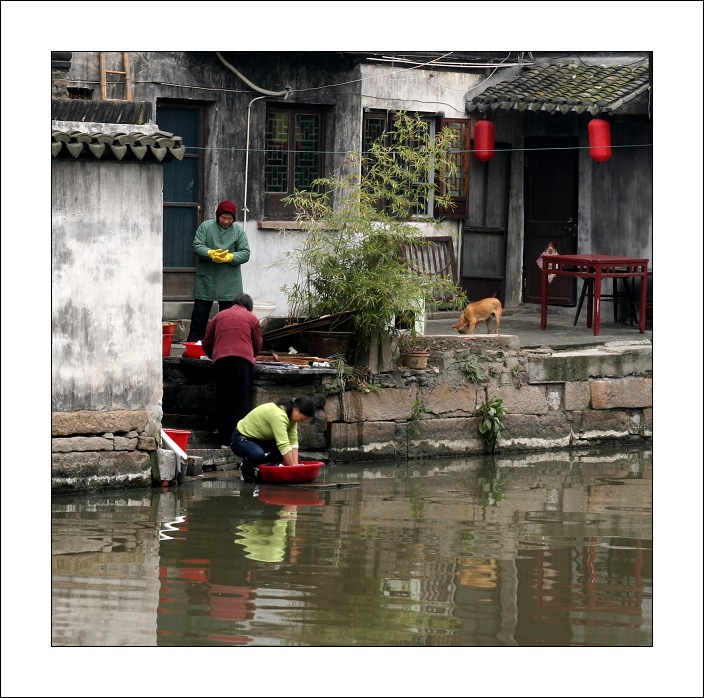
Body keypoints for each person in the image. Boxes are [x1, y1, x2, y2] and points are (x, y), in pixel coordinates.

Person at [201, 293, 263, 448]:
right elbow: (257, 344)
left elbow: (207, 342)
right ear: (249, 306)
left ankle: (223, 441)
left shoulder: (219, 316)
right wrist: (252, 355)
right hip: (243, 362)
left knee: (224, 399)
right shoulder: (252, 318)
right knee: (242, 400)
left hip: (221, 362)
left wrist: (214, 355)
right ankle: (240, 440)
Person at [186, 199, 251, 343]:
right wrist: (210, 253)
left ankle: (226, 343)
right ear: (217, 216)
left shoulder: (238, 231)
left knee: (228, 317)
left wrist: (230, 256)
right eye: (223, 218)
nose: (226, 221)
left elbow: (245, 253)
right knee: (199, 315)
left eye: (229, 218)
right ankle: (194, 343)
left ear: (234, 218)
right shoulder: (206, 227)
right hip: (207, 277)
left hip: (229, 279)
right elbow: (197, 245)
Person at [230, 396, 316, 483]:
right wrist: (294, 470)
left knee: (282, 453)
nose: (302, 421)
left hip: (260, 440)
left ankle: (261, 470)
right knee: (258, 454)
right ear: (296, 410)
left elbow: (293, 441)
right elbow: (283, 444)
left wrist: (296, 464)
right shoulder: (279, 415)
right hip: (242, 439)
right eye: (303, 418)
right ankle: (247, 470)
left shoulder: (291, 417)